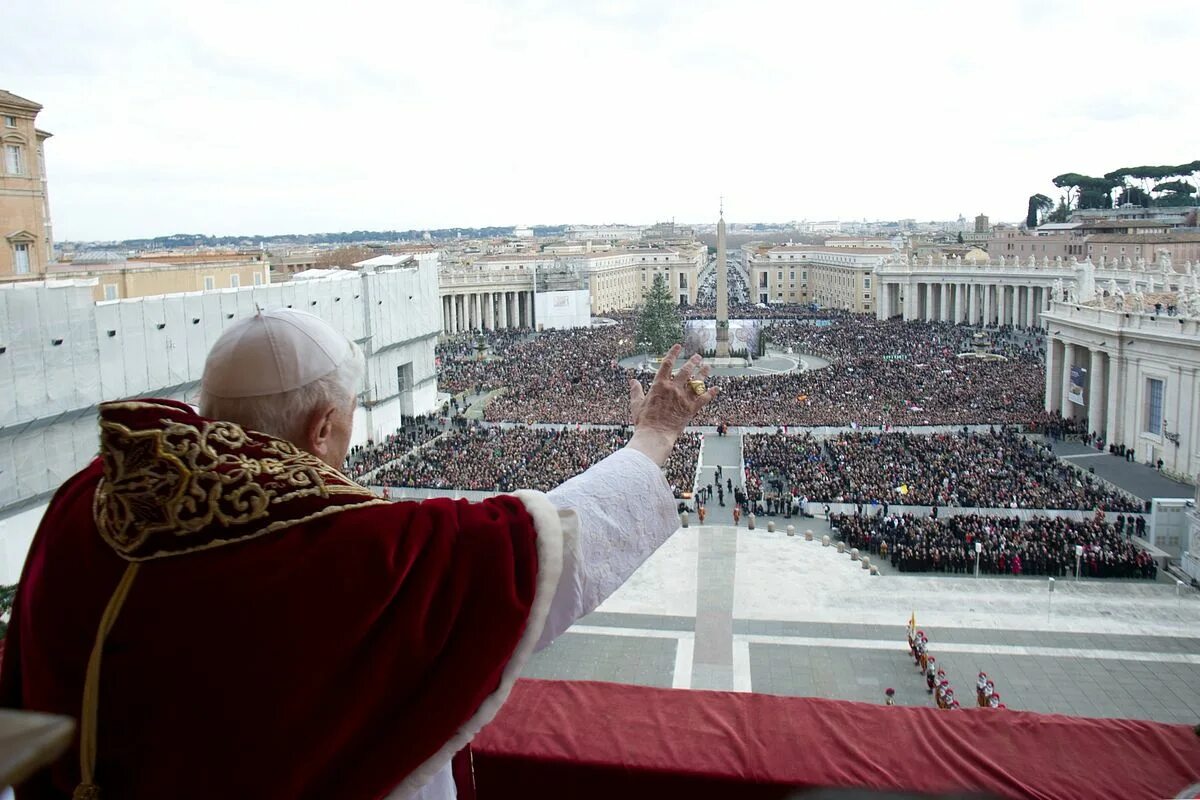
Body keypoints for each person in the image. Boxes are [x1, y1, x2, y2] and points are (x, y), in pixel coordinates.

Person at [0, 314, 718, 800]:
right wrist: (654, 432)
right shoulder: (344, 549)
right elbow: (542, 548)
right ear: (321, 429)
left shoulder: (88, 501)